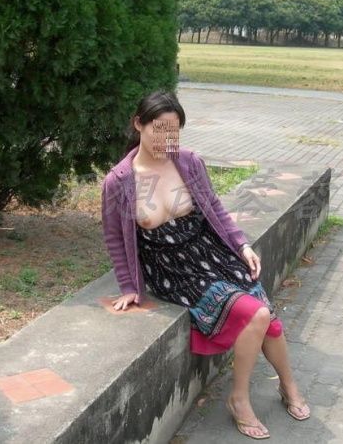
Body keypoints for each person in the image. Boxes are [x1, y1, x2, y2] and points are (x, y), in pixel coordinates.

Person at [101, 90, 309, 439]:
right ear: (139, 124)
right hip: (173, 270)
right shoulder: (119, 182)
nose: (166, 140)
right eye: (158, 129)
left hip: (212, 253)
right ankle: (239, 400)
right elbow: (114, 238)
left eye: (173, 132)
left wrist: (242, 245)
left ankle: (288, 384)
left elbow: (215, 208)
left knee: (268, 319)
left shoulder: (188, 162)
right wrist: (129, 287)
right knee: (257, 314)